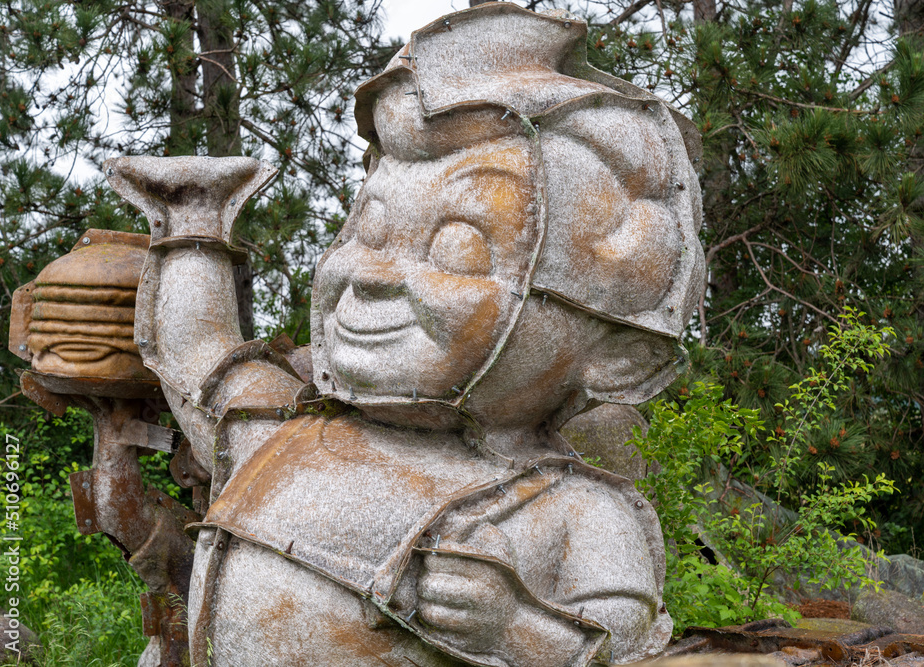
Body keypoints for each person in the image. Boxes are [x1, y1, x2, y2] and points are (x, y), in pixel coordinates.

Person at [105, 4, 704, 665]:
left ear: (620, 353)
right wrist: (194, 219)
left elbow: (622, 647)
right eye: (370, 230)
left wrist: (515, 628)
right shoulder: (281, 433)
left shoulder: (573, 513)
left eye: (457, 249)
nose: (373, 275)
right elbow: (196, 353)